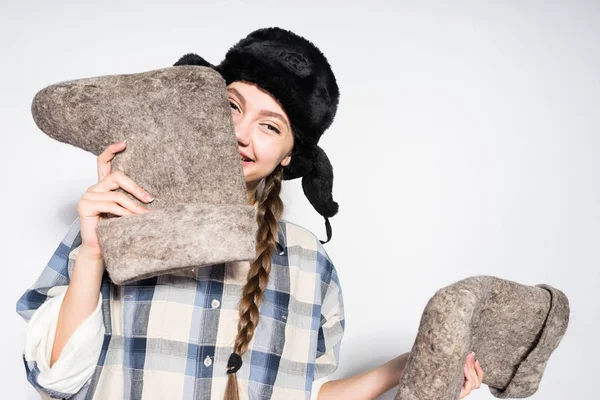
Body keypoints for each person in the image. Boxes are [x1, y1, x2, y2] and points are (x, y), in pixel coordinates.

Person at [16, 27, 484, 400]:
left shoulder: (308, 264)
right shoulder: (117, 216)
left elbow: (306, 394)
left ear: (288, 154)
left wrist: (408, 366)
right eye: (231, 106)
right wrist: (96, 251)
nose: (240, 134)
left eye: (268, 125)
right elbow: (53, 380)